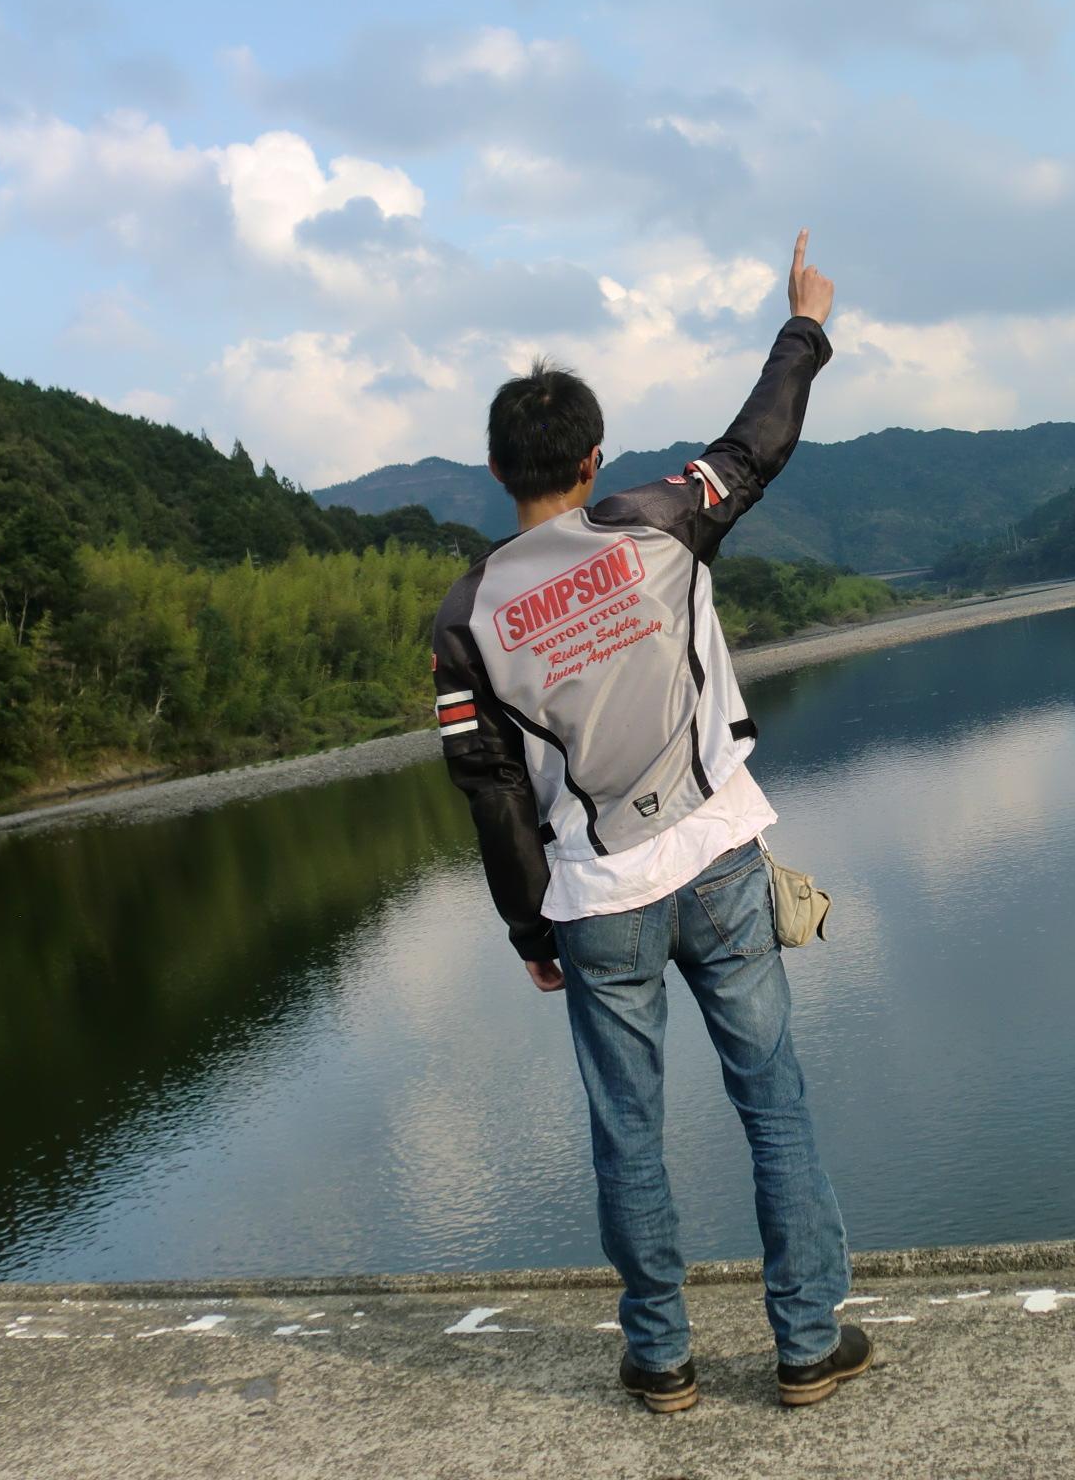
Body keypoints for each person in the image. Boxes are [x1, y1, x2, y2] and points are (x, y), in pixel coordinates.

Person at [429, 230, 869, 1413]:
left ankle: (663, 1357)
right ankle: (803, 1343)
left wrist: (530, 932)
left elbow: (489, 788)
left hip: (595, 900)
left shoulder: (465, 619)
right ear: (590, 454)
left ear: (496, 470)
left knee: (627, 1130)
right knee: (768, 1095)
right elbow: (753, 446)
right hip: (719, 858)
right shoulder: (656, 524)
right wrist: (805, 324)